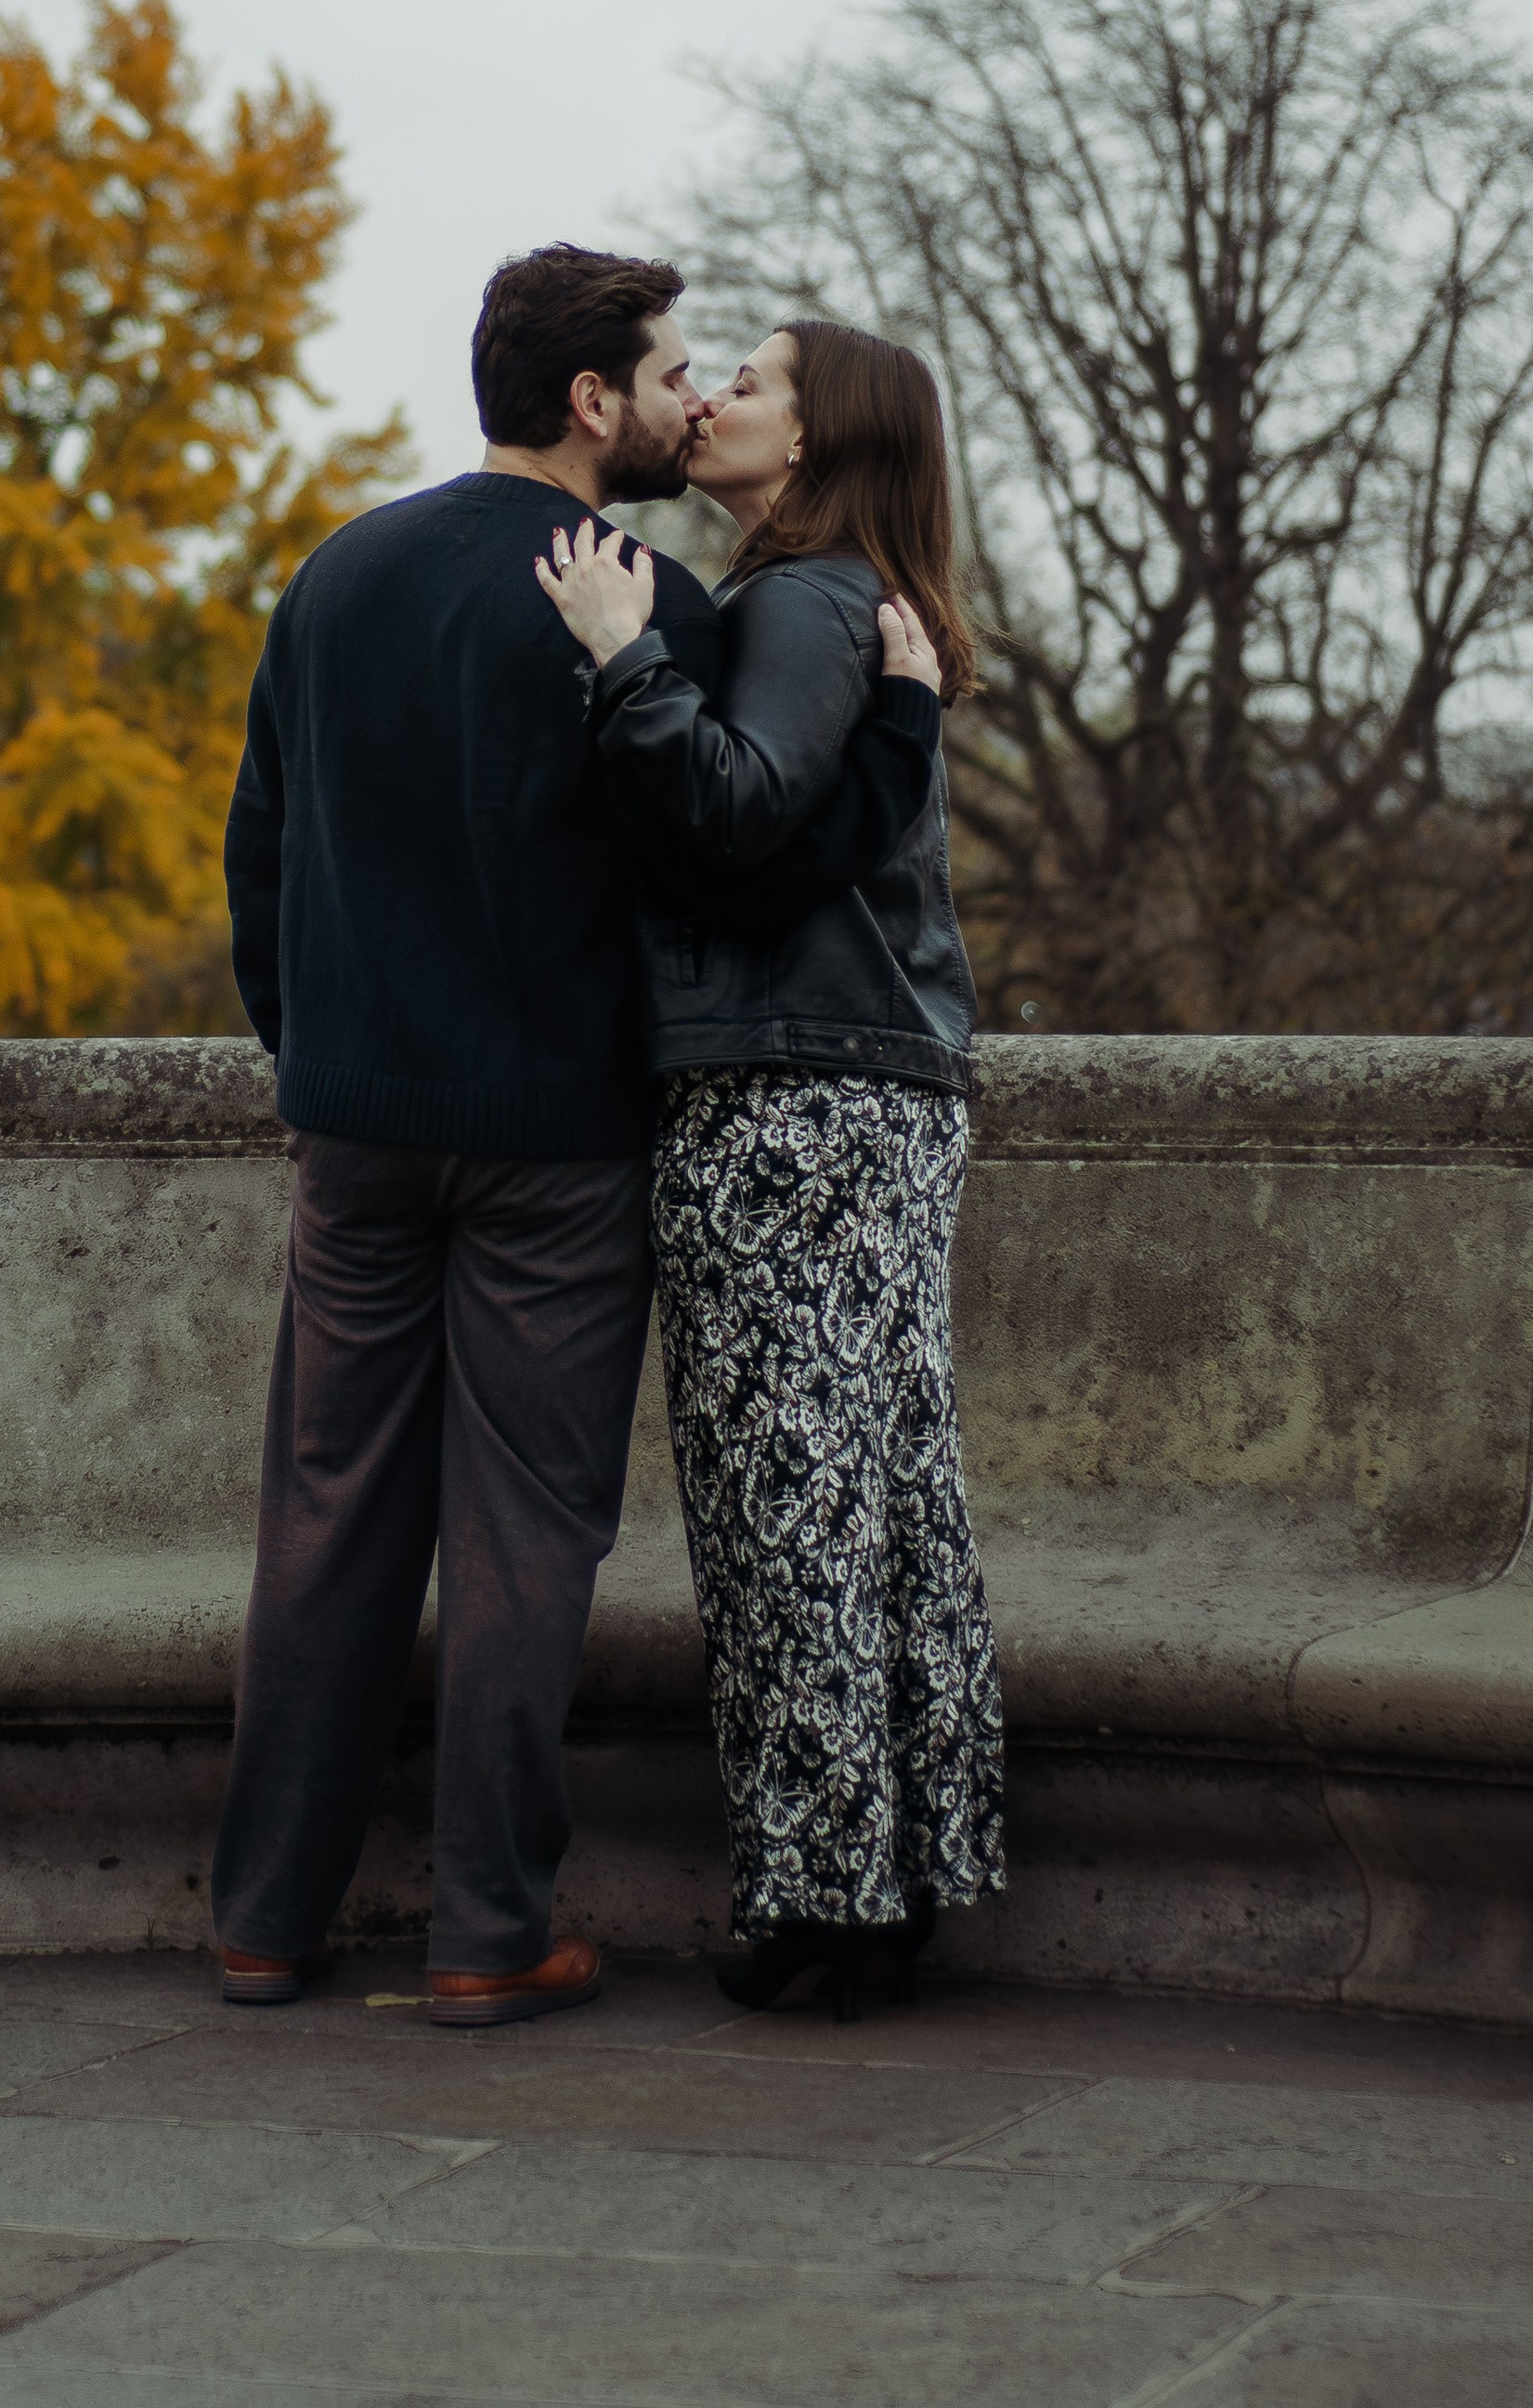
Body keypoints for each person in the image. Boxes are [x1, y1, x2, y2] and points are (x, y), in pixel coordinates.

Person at [211, 250, 942, 2027]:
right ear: (594, 400)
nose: (694, 398)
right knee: (529, 1534)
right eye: (676, 369)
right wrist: (907, 721)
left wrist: (322, 1058)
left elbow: (260, 860)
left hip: (359, 1130)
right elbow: (728, 858)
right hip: (558, 1140)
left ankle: (265, 1918)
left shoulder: (337, 573)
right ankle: (486, 1932)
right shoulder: (652, 607)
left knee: (324, 1517)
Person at [536, 315, 1006, 2019]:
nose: (714, 396)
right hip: (865, 1090)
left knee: (781, 1494)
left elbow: (731, 815)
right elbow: (805, 836)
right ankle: (891, 1871)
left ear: (812, 444)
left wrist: (621, 658)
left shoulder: (800, 604)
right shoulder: (849, 604)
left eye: (753, 381)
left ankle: (830, 1896)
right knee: (875, 1488)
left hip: (796, 1098)